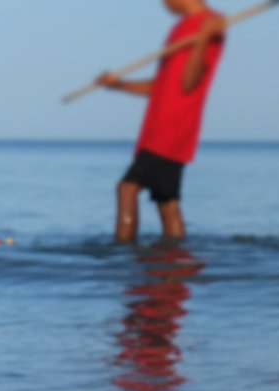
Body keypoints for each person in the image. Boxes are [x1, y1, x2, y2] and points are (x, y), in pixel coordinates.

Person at [97, 1, 227, 243]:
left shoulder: (211, 25)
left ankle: (122, 258)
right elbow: (162, 86)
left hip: (172, 130)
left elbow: (190, 83)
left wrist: (202, 40)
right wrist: (120, 85)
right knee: (166, 202)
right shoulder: (182, 28)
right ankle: (176, 265)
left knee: (126, 189)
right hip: (158, 129)